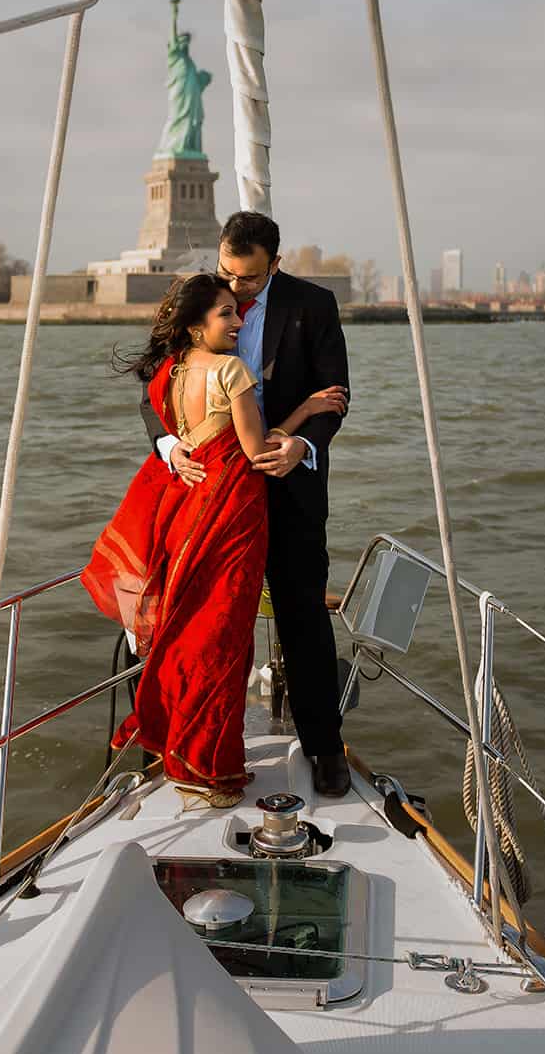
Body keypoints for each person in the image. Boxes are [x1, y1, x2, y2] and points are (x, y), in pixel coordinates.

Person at [81, 272, 347, 805]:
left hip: (196, 510)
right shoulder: (229, 367)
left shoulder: (191, 360)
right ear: (198, 324)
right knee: (223, 638)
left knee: (204, 627)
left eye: (241, 296)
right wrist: (304, 414)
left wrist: (305, 437)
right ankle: (209, 762)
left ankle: (311, 749)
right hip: (235, 513)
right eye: (226, 309)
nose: (238, 313)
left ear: (273, 262)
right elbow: (255, 450)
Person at [144, 213, 353, 797]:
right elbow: (154, 386)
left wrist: (302, 445)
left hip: (290, 487)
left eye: (251, 281)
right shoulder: (202, 301)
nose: (236, 292)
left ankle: (324, 746)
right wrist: (167, 443)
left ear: (276, 265)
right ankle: (189, 742)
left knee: (303, 615)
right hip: (213, 494)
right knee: (207, 621)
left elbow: (336, 393)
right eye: (228, 276)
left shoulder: (315, 305)